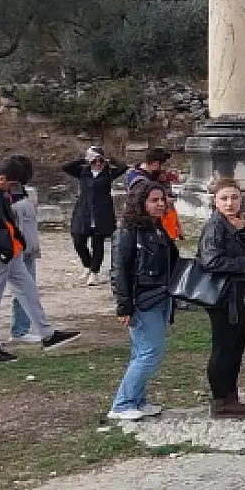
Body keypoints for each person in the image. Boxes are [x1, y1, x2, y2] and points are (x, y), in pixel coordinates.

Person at [0, 157, 80, 364]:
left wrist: (18, 243)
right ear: (1, 178)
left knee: (29, 292)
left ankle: (48, 335)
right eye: (12, 184)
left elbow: (6, 223)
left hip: (12, 254)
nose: (12, 190)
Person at [107, 179, 179, 421]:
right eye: (154, 200)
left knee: (143, 351)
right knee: (150, 352)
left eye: (162, 199)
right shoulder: (128, 231)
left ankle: (137, 399)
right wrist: (124, 305)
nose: (160, 204)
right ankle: (123, 403)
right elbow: (119, 270)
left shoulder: (156, 228)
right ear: (141, 202)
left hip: (159, 295)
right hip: (143, 299)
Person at [195, 179, 245, 418]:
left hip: (234, 292)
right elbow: (211, 261)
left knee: (238, 340)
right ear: (215, 201)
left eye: (234, 198)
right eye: (224, 198)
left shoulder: (233, 223)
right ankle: (221, 400)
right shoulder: (215, 226)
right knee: (225, 345)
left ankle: (230, 394)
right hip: (221, 294)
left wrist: (244, 229)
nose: (229, 203)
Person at [63, 146, 128, 286]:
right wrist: (85, 159)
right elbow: (66, 167)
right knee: (78, 240)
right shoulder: (83, 172)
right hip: (84, 211)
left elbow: (123, 167)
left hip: (102, 212)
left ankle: (94, 272)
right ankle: (87, 265)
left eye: (100, 161)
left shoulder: (109, 173)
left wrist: (110, 159)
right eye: (94, 161)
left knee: (97, 243)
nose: (98, 164)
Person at [5, 157, 43, 346]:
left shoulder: (28, 194)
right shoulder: (5, 197)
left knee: (27, 291)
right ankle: (16, 331)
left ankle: (21, 328)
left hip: (28, 249)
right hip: (14, 250)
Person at [124, 148, 181, 241]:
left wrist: (166, 180)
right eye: (164, 166)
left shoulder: (151, 175)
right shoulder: (140, 181)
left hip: (153, 222)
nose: (166, 169)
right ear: (155, 164)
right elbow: (141, 204)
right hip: (143, 224)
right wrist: (166, 200)